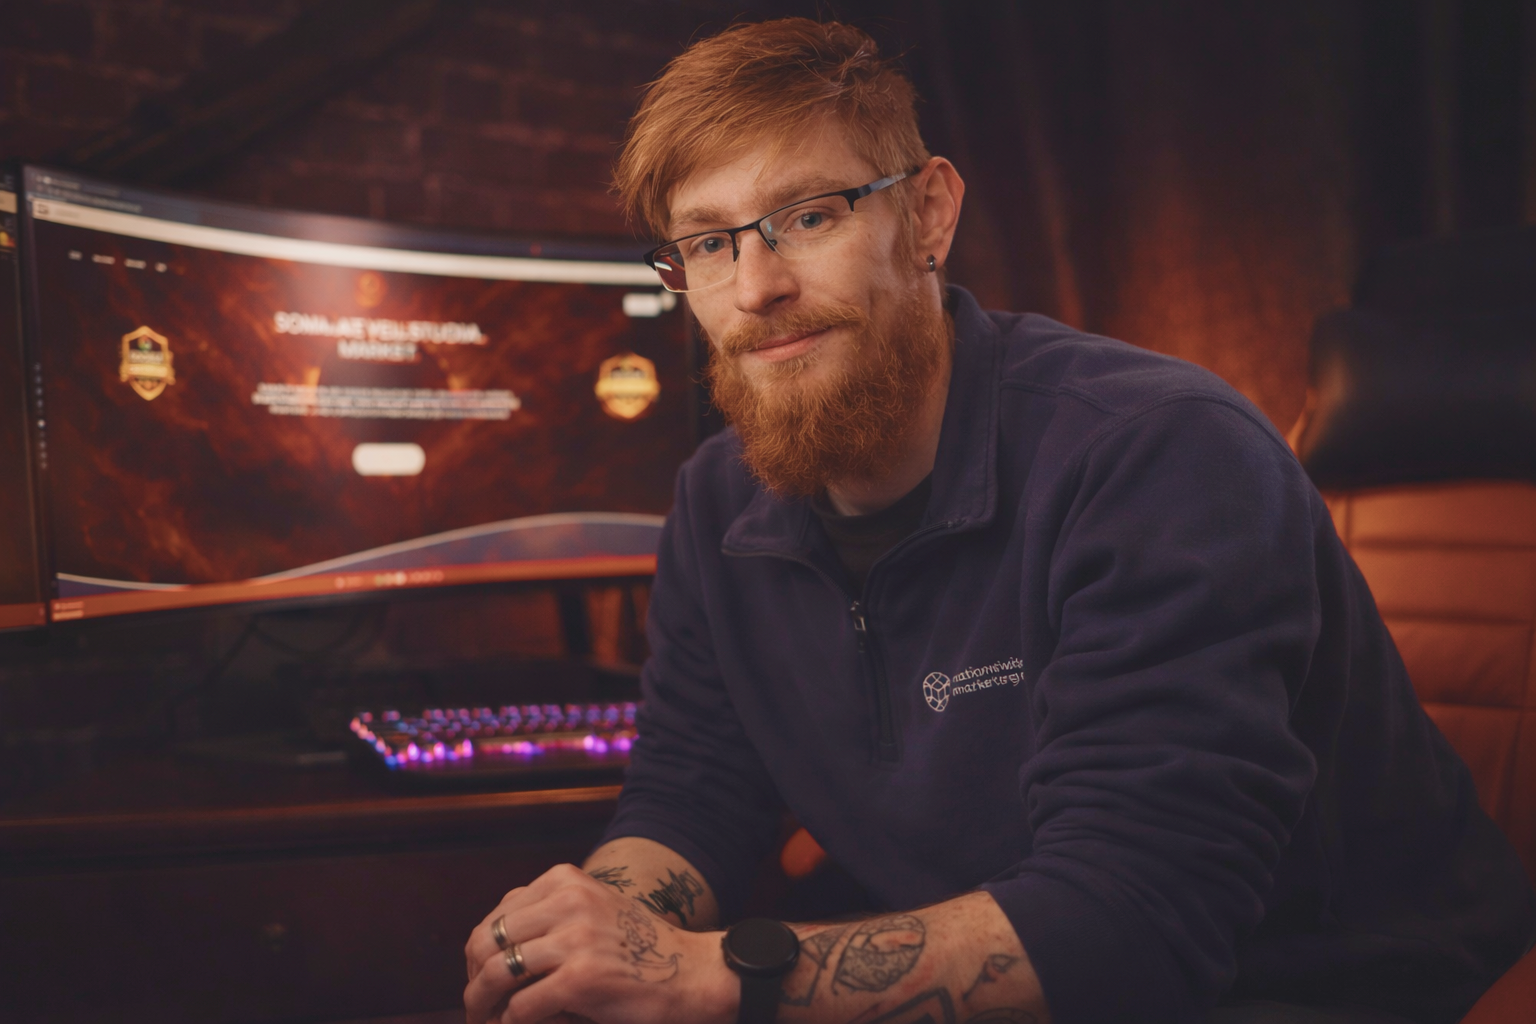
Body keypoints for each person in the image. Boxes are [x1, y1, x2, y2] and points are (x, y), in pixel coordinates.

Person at [463, 18, 1535, 1024]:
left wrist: (706, 974)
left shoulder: (1162, 451)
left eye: (809, 216)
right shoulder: (715, 501)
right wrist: (594, 926)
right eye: (705, 245)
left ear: (927, 215)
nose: (756, 288)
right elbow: (696, 789)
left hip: (1319, 988)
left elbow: (1138, 921)